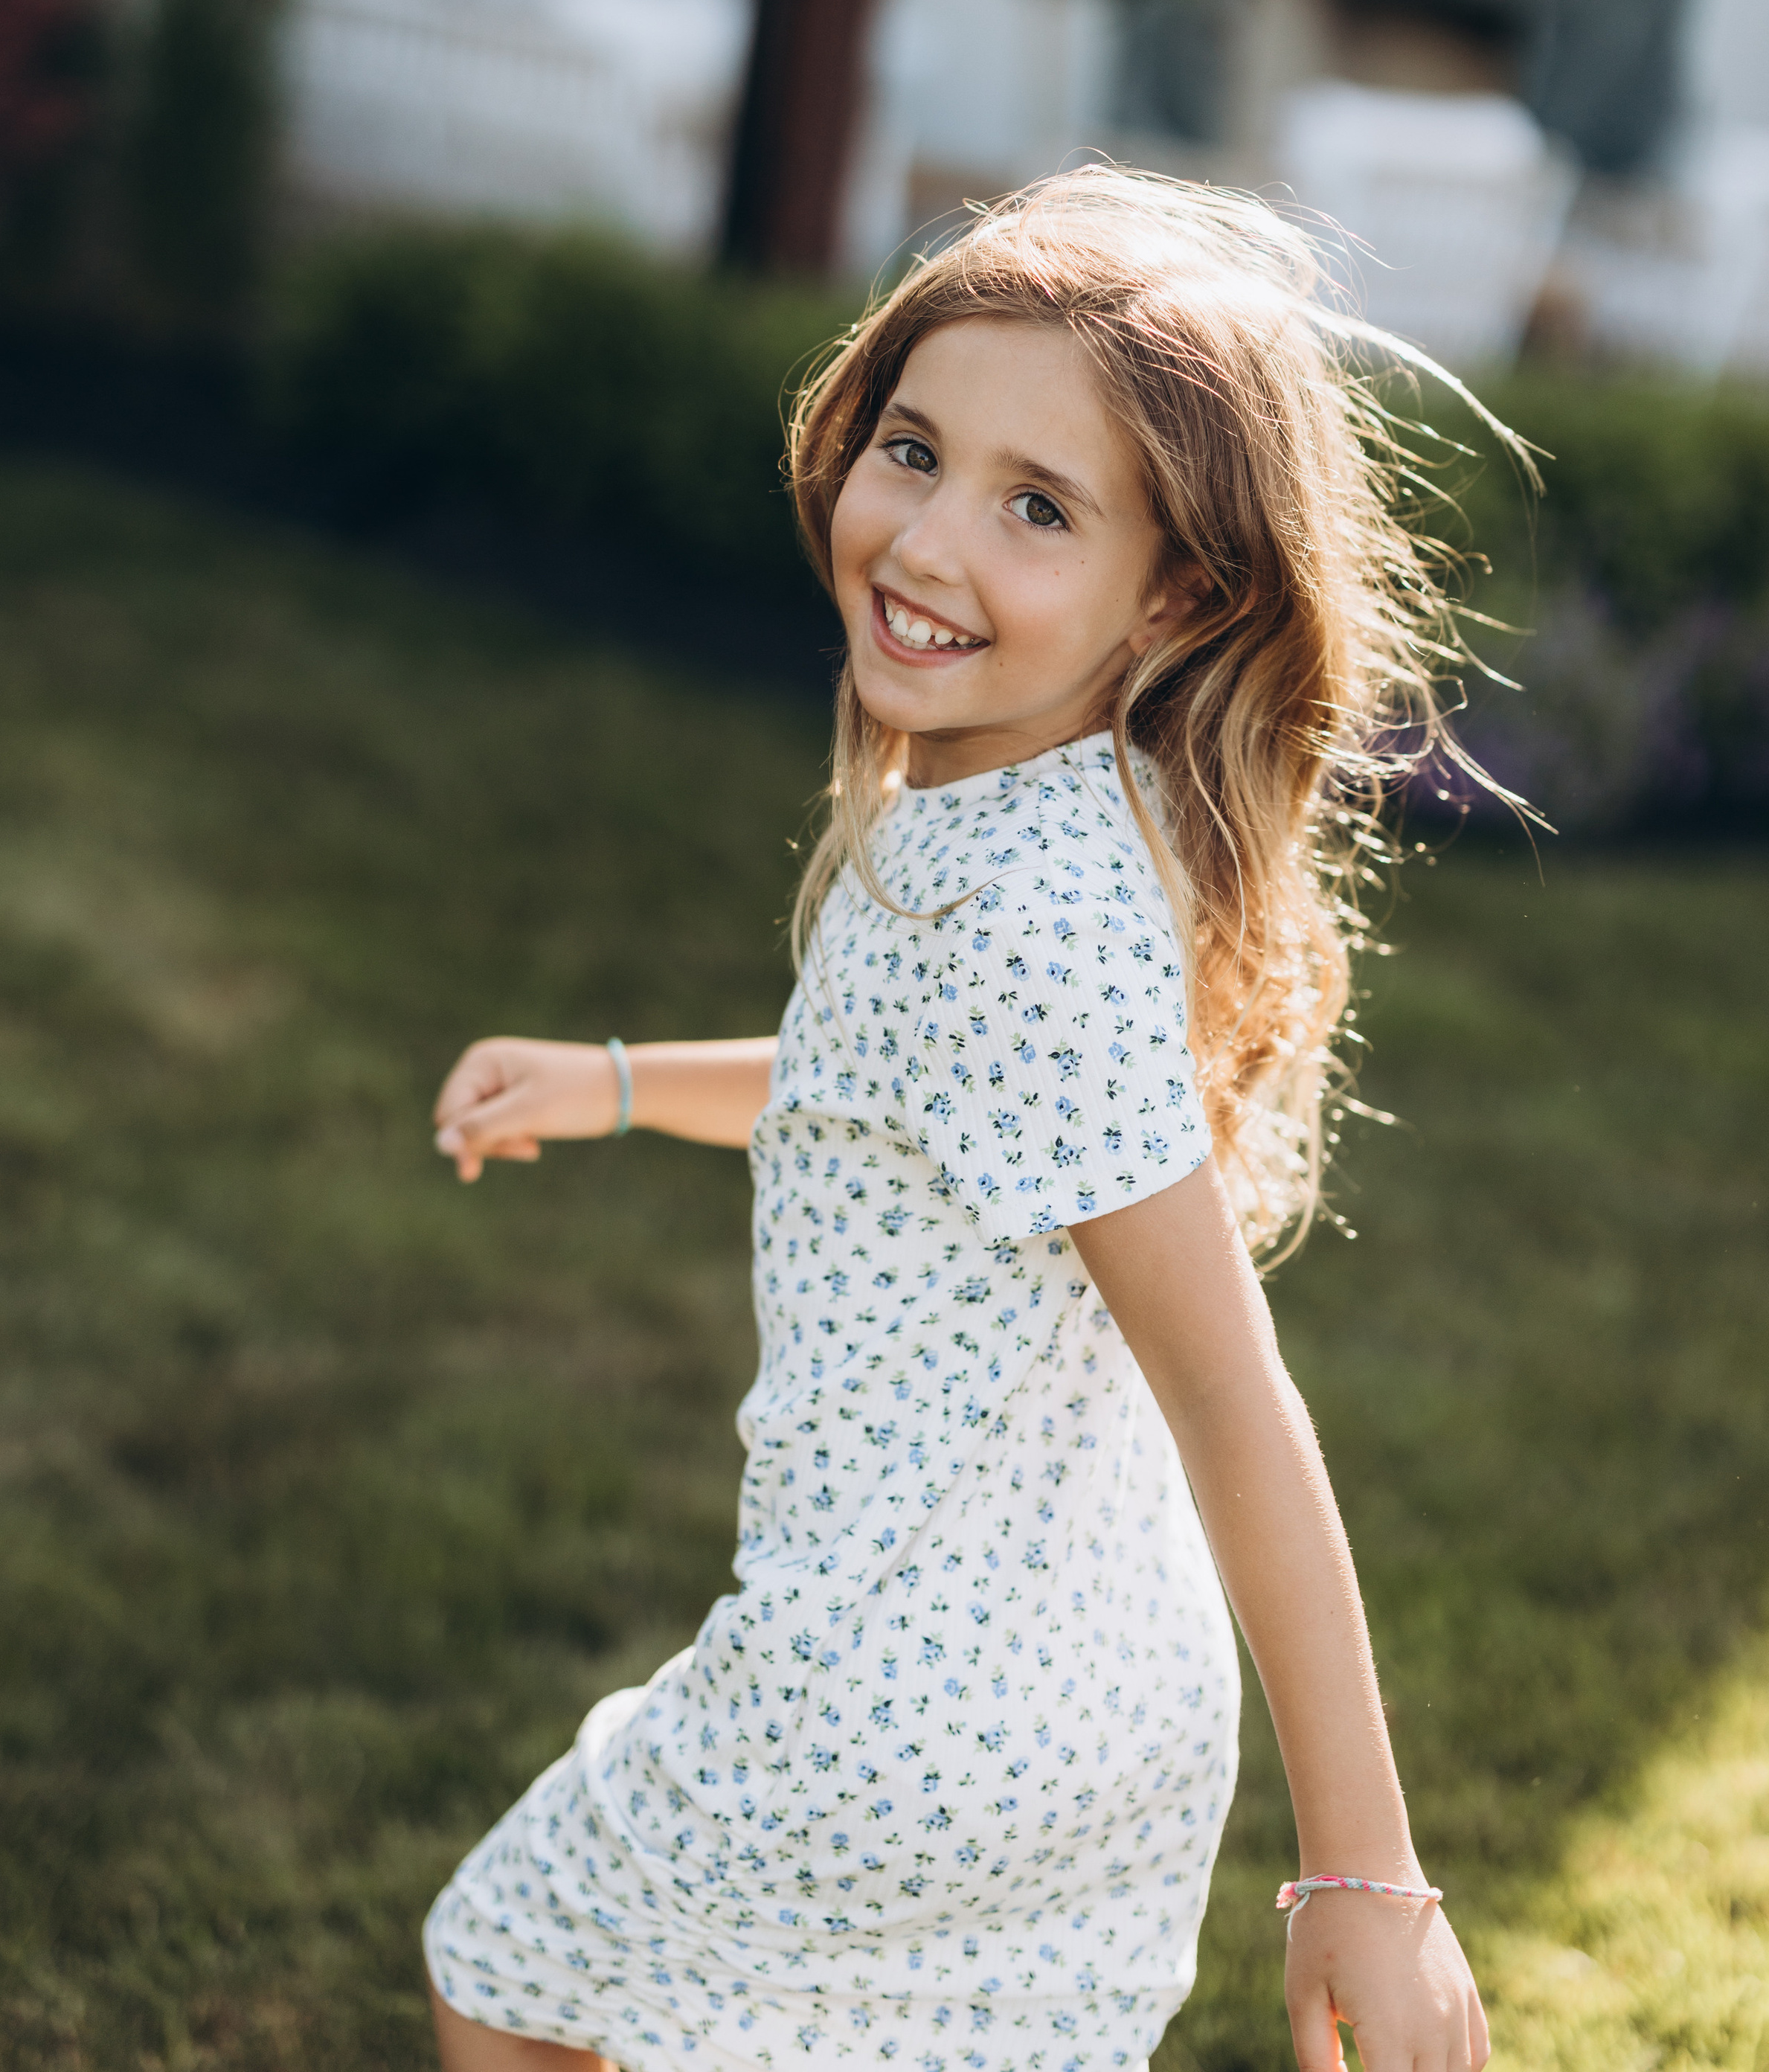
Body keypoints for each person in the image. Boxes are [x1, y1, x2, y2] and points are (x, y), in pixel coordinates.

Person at [423, 170, 1507, 2072]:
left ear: (1176, 586)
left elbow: (1233, 1398)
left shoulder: (1016, 909)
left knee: (506, 1968)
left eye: (1036, 507)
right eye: (911, 451)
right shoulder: (1073, 805)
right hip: (1078, 1701)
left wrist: (1367, 1872)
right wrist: (609, 1084)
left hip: (879, 1715)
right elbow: (897, 1095)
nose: (924, 541)